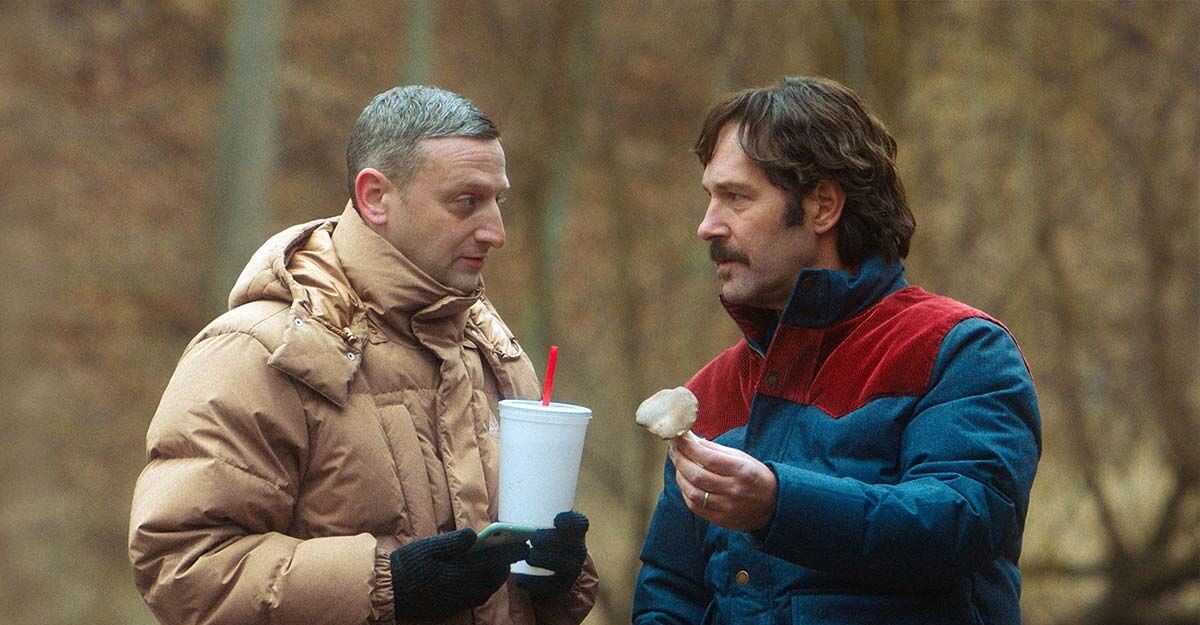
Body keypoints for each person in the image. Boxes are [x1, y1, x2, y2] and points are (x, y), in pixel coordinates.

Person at [128, 85, 597, 625]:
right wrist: (388, 585)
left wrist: (557, 579)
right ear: (375, 198)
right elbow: (182, 567)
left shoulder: (493, 349)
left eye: (498, 201)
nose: (497, 232)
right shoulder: (260, 352)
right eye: (466, 202)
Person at [632, 76, 1041, 624]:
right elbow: (669, 596)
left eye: (735, 198)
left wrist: (779, 503)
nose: (707, 226)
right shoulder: (708, 393)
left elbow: (961, 523)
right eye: (709, 198)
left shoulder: (959, 350)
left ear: (822, 206)